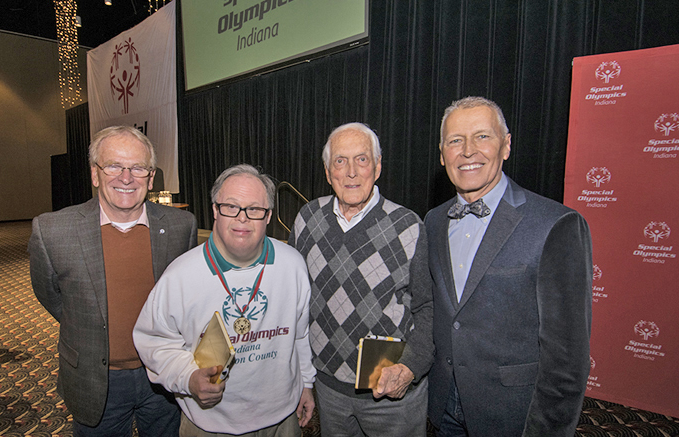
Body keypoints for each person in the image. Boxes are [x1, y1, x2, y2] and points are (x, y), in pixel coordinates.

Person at [425, 96, 593, 437]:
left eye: (482, 136)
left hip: (513, 416)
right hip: (443, 409)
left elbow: (567, 358)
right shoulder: (432, 221)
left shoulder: (555, 224)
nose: (468, 151)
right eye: (455, 140)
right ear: (442, 154)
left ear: (506, 145)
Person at [28, 126, 197, 436]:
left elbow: (184, 295)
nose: (126, 177)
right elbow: (50, 294)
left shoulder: (180, 226)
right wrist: (86, 323)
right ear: (95, 174)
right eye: (114, 166)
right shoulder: (53, 230)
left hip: (163, 374)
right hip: (96, 379)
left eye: (137, 167)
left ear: (151, 176)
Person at [133, 164, 316, 437]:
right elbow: (154, 342)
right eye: (231, 207)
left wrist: (307, 383)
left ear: (268, 217)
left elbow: (300, 335)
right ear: (215, 211)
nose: (242, 218)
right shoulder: (181, 275)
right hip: (210, 423)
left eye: (254, 209)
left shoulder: (293, 265)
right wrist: (188, 378)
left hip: (281, 419)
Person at [288, 122, 434, 437]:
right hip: (329, 392)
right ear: (328, 172)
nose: (351, 171)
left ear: (378, 167)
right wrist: (304, 379)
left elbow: (428, 307)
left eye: (362, 159)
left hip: (392, 395)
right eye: (340, 161)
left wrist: (411, 368)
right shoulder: (306, 221)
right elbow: (295, 302)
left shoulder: (409, 226)